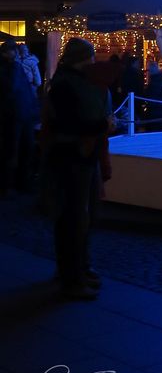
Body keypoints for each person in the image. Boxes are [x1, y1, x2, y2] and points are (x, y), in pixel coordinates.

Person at [43, 37, 111, 300]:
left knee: (80, 215)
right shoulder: (65, 85)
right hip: (73, 155)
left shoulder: (71, 82)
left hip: (82, 154)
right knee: (74, 217)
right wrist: (101, 126)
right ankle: (72, 276)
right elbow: (71, 124)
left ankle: (78, 268)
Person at [0, 39, 38, 193]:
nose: (16, 53)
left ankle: (15, 183)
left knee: (20, 148)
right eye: (13, 50)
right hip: (17, 114)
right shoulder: (12, 67)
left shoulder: (13, 67)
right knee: (17, 149)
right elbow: (13, 88)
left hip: (18, 113)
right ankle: (13, 183)